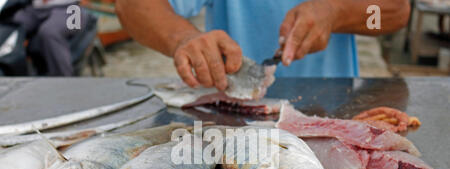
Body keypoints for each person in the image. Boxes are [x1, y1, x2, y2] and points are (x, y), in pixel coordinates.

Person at [116, 0, 410, 91]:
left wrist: (336, 12)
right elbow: (132, 6)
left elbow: (396, 11)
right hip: (232, 118)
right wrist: (183, 38)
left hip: (330, 115)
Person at [12, 0, 87, 76]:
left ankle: (63, 78)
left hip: (69, 9)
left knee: (50, 31)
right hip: (35, 9)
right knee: (10, 25)